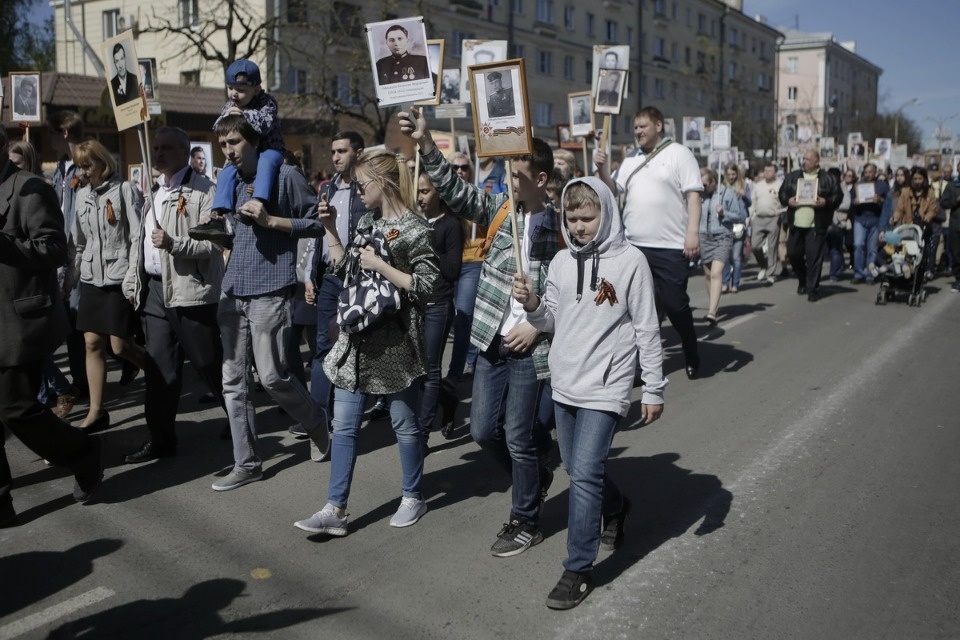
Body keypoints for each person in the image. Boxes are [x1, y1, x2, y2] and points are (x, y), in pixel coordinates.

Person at [399, 106, 560, 557]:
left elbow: (567, 292)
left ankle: (525, 518)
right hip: (492, 341)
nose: (510, 179)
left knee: (518, 436)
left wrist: (535, 325)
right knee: (484, 431)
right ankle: (536, 472)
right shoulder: (499, 209)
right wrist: (428, 143)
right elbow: (455, 189)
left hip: (531, 346)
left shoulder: (560, 227)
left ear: (542, 180)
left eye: (520, 174)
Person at [511, 177, 665, 610]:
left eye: (588, 217)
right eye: (572, 217)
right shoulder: (560, 261)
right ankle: (616, 508)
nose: (579, 226)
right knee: (580, 471)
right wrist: (531, 305)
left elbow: (647, 327)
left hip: (607, 384)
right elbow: (552, 319)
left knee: (585, 474)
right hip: (565, 382)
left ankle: (577, 568)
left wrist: (653, 386)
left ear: (607, 214)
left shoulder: (631, 261)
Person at [293, 149, 440, 535]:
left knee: (404, 425)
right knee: (343, 427)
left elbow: (427, 288)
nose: (356, 191)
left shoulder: (416, 229)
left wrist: (383, 266)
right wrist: (329, 229)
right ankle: (335, 508)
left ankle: (413, 496)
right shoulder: (365, 223)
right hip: (356, 343)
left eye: (361, 184)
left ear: (384, 183)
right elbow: (345, 272)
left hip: (396, 346)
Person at [210, 114, 326, 492]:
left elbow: (315, 225)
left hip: (270, 288)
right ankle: (247, 462)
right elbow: (234, 238)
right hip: (232, 290)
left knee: (273, 376)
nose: (228, 152)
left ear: (254, 142)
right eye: (223, 145)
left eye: (235, 144)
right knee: (233, 382)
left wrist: (271, 219)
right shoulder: (229, 182)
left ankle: (315, 420)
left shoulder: (284, 175)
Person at [0, 128, 105, 527]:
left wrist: (4, 243)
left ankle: (83, 453)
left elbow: (55, 249)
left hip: (17, 319)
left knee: (16, 408)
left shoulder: (28, 188)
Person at [120, 127, 226, 463]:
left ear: (185, 152)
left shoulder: (205, 191)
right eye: (156, 148)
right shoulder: (153, 193)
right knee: (160, 370)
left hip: (191, 290)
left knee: (210, 364)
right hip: (155, 290)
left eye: (166, 148)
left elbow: (214, 244)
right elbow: (141, 243)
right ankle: (161, 439)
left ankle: (242, 423)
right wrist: (131, 280)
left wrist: (174, 244)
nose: (159, 154)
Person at [595, 106, 703, 379]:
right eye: (636, 128)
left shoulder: (679, 153)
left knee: (675, 305)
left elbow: (693, 196)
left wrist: (692, 233)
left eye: (643, 126)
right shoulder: (631, 158)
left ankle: (690, 348)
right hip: (634, 246)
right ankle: (640, 368)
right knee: (637, 311)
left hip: (670, 246)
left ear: (658, 125)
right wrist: (603, 169)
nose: (638, 132)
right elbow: (612, 191)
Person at [66, 140, 147, 431]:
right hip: (91, 278)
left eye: (88, 165)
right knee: (91, 342)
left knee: (119, 345)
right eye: (79, 166)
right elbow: (78, 242)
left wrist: (132, 278)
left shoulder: (124, 190)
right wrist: (70, 279)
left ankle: (157, 372)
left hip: (118, 278)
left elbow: (138, 237)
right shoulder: (81, 195)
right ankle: (97, 411)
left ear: (103, 162)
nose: (83, 172)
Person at [304, 131, 369, 456]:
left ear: (358, 152)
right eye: (333, 150)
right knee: (322, 348)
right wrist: (309, 275)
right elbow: (319, 233)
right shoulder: (327, 188)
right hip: (329, 277)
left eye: (342, 150)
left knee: (355, 348)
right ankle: (319, 425)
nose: (336, 156)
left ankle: (350, 418)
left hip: (358, 276)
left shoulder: (367, 190)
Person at [189, 60, 285, 247]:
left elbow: (264, 125)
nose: (234, 94)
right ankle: (218, 215)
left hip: (270, 150)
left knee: (266, 161)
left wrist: (244, 115)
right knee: (226, 172)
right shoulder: (229, 106)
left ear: (256, 90)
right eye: (230, 88)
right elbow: (218, 127)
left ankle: (258, 202)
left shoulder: (267, 102)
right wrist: (228, 117)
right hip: (245, 157)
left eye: (240, 90)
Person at [416, 172, 463, 446]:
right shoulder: (416, 222)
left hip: (439, 303)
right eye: (418, 191)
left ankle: (421, 435)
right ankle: (449, 399)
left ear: (439, 194)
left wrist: (427, 246)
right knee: (419, 370)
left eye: (425, 191)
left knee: (431, 369)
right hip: (415, 301)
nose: (420, 197)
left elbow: (453, 270)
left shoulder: (450, 225)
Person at [46, 110, 88, 403]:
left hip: (80, 253)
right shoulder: (61, 169)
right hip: (62, 250)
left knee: (77, 319)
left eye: (51, 132)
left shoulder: (84, 166)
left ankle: (85, 383)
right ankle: (81, 380)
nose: (48, 138)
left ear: (63, 132)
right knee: (71, 321)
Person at [778, 149, 842, 302]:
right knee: (793, 254)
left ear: (816, 162)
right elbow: (782, 193)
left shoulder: (828, 178)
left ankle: (813, 288)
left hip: (816, 224)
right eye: (803, 159)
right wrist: (788, 201)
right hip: (795, 223)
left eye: (807, 159)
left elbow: (838, 196)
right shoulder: (793, 176)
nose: (804, 161)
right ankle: (802, 279)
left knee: (814, 258)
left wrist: (826, 202)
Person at [699, 167, 747, 324]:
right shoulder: (699, 195)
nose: (703, 188)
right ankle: (715, 305)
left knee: (716, 273)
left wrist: (724, 213)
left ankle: (712, 312)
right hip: (704, 236)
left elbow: (740, 216)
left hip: (722, 236)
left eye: (705, 185)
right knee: (708, 275)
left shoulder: (727, 193)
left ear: (713, 181)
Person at [850, 163, 889, 284]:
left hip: (875, 220)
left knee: (872, 249)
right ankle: (858, 273)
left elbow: (888, 202)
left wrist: (880, 200)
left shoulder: (882, 185)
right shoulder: (858, 185)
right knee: (858, 245)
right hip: (860, 219)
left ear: (875, 173)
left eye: (870, 172)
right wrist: (855, 201)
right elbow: (851, 201)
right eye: (866, 172)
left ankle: (870, 275)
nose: (868, 174)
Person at [719, 164, 751, 294]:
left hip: (738, 224)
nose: (731, 177)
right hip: (726, 224)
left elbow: (749, 203)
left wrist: (744, 196)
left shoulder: (743, 185)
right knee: (726, 256)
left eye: (734, 174)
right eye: (729, 174)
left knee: (737, 257)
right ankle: (725, 282)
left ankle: (735, 283)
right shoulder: (723, 188)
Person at [750, 161, 783, 283]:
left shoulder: (780, 185)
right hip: (759, 218)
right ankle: (763, 266)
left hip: (773, 218)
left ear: (775, 172)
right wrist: (749, 217)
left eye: (769, 171)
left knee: (772, 247)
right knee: (755, 246)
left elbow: (784, 201)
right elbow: (753, 203)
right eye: (765, 170)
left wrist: (780, 210)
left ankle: (771, 273)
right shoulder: (758, 185)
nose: (767, 173)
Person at [826, 168, 855, 282]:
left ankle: (834, 274)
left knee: (836, 249)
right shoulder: (823, 187)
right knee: (822, 250)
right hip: (824, 222)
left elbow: (847, 204)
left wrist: (831, 204)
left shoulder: (843, 188)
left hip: (838, 223)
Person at [939, 164, 960, 292]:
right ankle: (958, 279)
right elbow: (943, 202)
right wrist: (956, 201)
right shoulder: (952, 185)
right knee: (956, 252)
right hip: (956, 224)